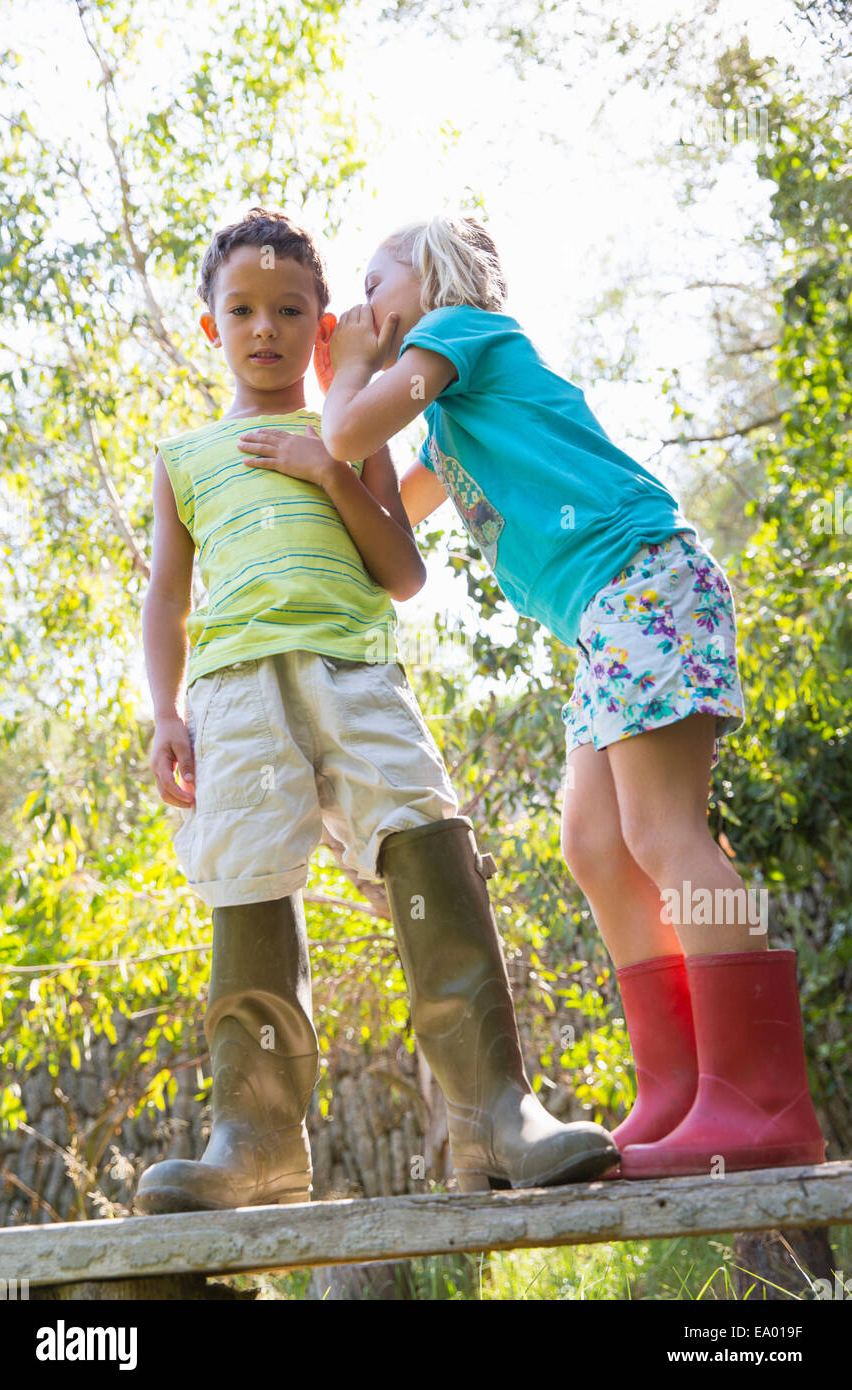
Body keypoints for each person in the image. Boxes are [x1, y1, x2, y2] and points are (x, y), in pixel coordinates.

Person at [239, 212, 826, 1180]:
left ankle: (761, 1097)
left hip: (643, 578)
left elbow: (346, 427)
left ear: (432, 278)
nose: (363, 303)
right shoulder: (450, 417)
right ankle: (677, 1091)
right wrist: (316, 473)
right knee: (596, 845)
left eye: (375, 279)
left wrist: (338, 376)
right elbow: (389, 521)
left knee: (663, 833)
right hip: (607, 619)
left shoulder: (458, 335)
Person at [134, 208, 619, 1214]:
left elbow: (401, 571)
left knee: (423, 833)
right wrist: (163, 711)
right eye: (241, 310)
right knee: (248, 877)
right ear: (208, 326)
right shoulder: (186, 457)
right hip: (231, 693)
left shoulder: (349, 427)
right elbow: (165, 600)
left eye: (290, 310)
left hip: (355, 670)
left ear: (324, 327)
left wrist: (329, 466)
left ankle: (494, 1112)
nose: (264, 328)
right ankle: (256, 1137)